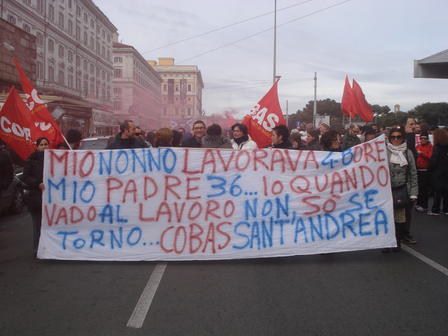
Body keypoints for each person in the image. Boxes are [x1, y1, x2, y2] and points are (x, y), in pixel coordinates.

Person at [385, 127, 418, 252]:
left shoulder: (408, 153)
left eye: (398, 137)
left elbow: (413, 174)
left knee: (400, 218)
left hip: (402, 190)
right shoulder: (384, 152)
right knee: (387, 217)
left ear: (403, 138)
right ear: (390, 138)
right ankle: (387, 243)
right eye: (393, 137)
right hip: (387, 190)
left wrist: (414, 193)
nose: (395, 139)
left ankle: (397, 241)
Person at [22, 137, 49, 257]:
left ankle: (49, 248)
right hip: (36, 198)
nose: (44, 146)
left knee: (49, 224)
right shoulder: (31, 160)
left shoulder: (53, 159)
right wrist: (37, 184)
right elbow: (26, 177)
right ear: (37, 146)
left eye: (46, 144)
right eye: (42, 144)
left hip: (50, 200)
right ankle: (37, 249)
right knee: (37, 225)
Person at [428, 128, 448, 215]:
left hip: (438, 172)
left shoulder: (437, 147)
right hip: (446, 172)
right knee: (446, 192)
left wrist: (430, 169)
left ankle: (435, 209)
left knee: (437, 192)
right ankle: (446, 209)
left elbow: (433, 161)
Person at [415, 131, 433, 213]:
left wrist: (421, 153)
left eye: (425, 138)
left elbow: (430, 156)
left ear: (427, 139)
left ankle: (424, 206)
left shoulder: (430, 146)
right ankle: (419, 204)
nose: (423, 139)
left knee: (424, 189)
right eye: (421, 138)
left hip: (426, 171)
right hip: (418, 170)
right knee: (419, 189)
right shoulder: (418, 146)